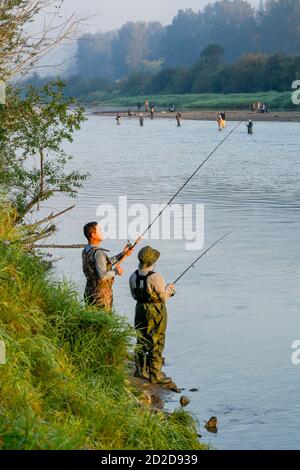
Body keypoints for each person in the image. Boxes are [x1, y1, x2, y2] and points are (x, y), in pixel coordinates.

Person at [129, 246, 176, 385]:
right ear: (152, 262)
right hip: (155, 310)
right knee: (157, 340)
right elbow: (163, 297)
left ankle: (140, 370)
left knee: (141, 338)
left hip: (139, 309)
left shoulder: (133, 275)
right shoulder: (156, 277)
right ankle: (155, 374)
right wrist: (170, 290)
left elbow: (133, 295)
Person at [82, 222, 133, 311]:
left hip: (89, 291)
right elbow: (102, 276)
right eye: (100, 230)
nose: (102, 232)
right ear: (93, 235)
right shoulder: (98, 252)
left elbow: (105, 263)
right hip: (100, 294)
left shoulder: (86, 250)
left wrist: (123, 254)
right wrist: (116, 272)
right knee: (103, 321)